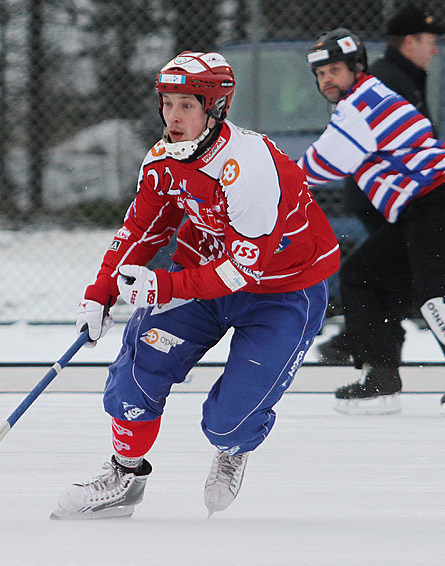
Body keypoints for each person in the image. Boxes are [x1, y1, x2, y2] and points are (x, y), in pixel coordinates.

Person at [50, 51, 340, 520]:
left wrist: (161, 287)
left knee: (230, 423)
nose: (173, 116)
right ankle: (124, 477)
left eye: (187, 104)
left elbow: (238, 272)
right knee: (136, 373)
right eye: (167, 103)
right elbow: (141, 229)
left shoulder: (249, 169)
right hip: (200, 275)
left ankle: (233, 448)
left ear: (215, 107)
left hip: (282, 291)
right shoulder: (164, 157)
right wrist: (100, 290)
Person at [298, 28, 445, 417]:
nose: (326, 80)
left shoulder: (359, 105)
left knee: (432, 292)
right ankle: (380, 378)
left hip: (436, 200)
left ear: (356, 67)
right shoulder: (368, 97)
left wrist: (268, 180)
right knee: (364, 275)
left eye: (334, 70)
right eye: (320, 74)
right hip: (423, 206)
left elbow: (316, 166)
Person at [317, 5, 445, 365]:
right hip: (388, 195)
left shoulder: (403, 74)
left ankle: (366, 343)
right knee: (391, 272)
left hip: (399, 194)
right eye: (429, 41)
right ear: (409, 42)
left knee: (390, 271)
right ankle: (366, 343)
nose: (434, 50)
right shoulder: (388, 79)